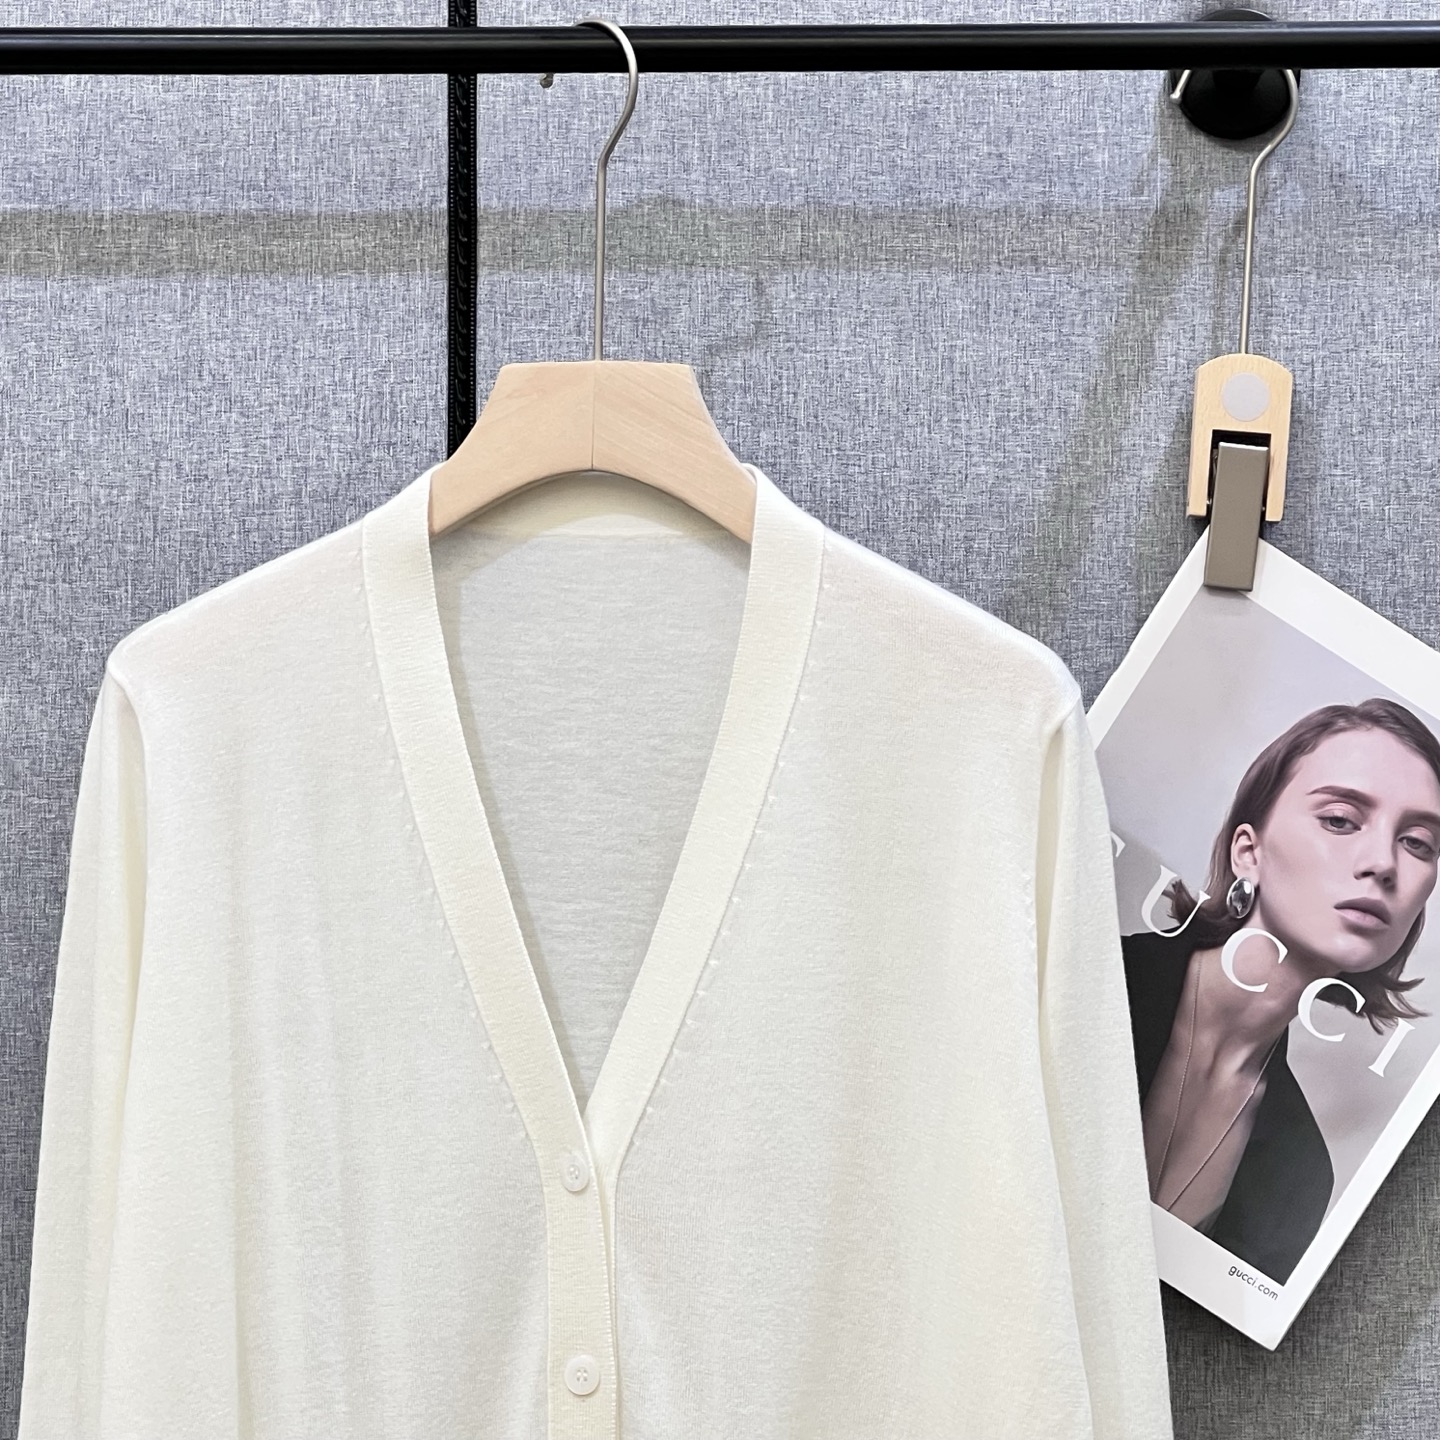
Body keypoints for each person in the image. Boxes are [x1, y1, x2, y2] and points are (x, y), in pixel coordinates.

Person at [1122, 698, 1440, 1285]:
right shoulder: (1100, 977)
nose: (1383, 863)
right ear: (1250, 851)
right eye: (1340, 820)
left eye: (1418, 842)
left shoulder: (1303, 1176)